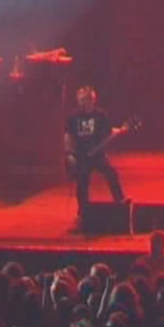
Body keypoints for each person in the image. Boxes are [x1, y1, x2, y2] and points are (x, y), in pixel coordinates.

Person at [63, 86, 127, 227]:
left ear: (92, 100)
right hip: (81, 155)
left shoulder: (101, 116)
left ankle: (120, 201)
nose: (81, 103)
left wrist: (119, 130)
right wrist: (69, 153)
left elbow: (108, 131)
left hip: (98, 155)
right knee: (82, 183)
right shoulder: (73, 117)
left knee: (111, 173)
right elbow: (68, 136)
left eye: (84, 99)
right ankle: (82, 212)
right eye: (79, 100)